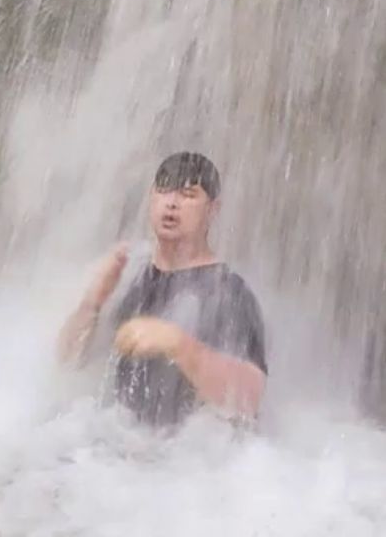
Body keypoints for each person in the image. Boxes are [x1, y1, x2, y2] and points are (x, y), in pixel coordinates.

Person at [58, 151, 267, 428]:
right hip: (113, 448)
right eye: (164, 191)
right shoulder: (130, 274)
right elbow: (68, 358)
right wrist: (93, 301)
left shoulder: (229, 292)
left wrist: (180, 345)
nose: (172, 204)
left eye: (188, 194)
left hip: (188, 458)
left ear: (212, 209)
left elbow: (250, 397)